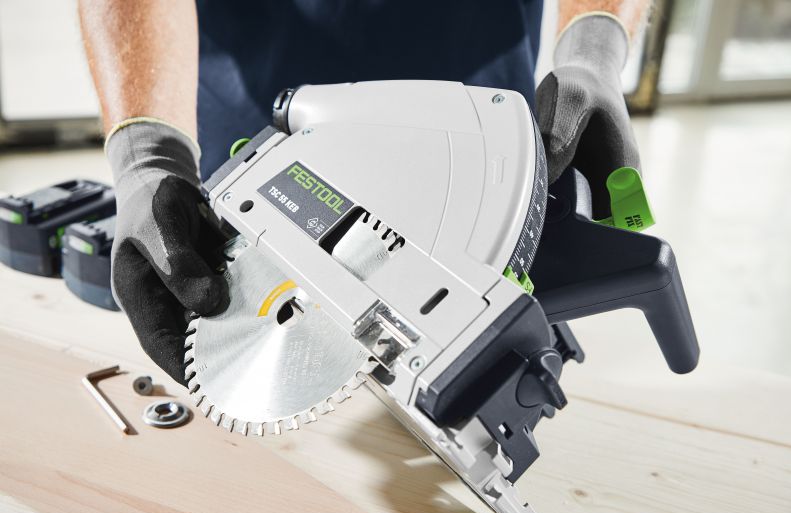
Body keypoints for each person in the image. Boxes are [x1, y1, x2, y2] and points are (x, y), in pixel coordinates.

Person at [79, 0, 649, 385]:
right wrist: (148, 154)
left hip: (478, 146)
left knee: (482, 360)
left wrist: (593, 51)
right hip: (267, 142)